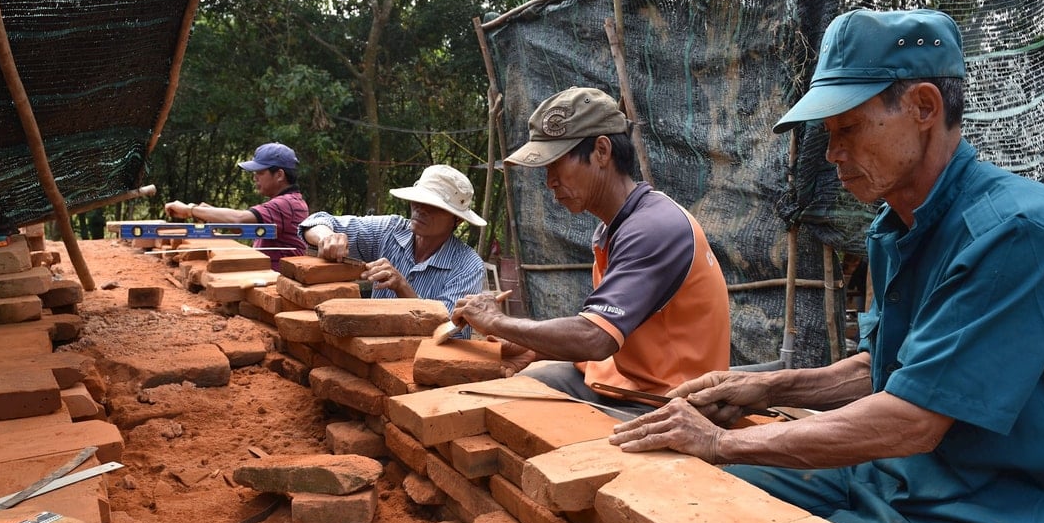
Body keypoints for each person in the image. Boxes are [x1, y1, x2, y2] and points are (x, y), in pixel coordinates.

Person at [609, 9, 1044, 523]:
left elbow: (911, 418)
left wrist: (718, 441)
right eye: (828, 133)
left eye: (847, 127)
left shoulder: (1019, 233)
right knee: (678, 489)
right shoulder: (895, 228)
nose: (832, 153)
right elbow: (889, 371)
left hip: (996, 509)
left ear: (923, 106)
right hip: (896, 478)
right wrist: (770, 389)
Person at [450, 87, 731, 421]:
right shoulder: (614, 227)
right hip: (625, 382)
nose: (550, 181)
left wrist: (497, 322)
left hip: (668, 402)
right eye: (545, 169)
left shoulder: (654, 228)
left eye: (556, 164)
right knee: (516, 391)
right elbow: (614, 331)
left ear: (601, 151)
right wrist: (533, 347)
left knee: (534, 427)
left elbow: (595, 338)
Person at [298, 164, 487, 335]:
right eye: (417, 200)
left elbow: (450, 329)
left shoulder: (468, 265)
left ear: (458, 220)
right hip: (370, 350)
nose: (420, 209)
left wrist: (402, 288)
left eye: (433, 206)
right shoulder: (389, 230)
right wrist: (327, 237)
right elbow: (316, 221)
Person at [165, 142, 309, 271]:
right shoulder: (288, 202)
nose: (255, 177)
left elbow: (239, 219)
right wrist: (207, 212)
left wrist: (190, 210)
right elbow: (242, 228)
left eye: (260, 172)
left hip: (278, 286)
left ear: (279, 175)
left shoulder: (286, 204)